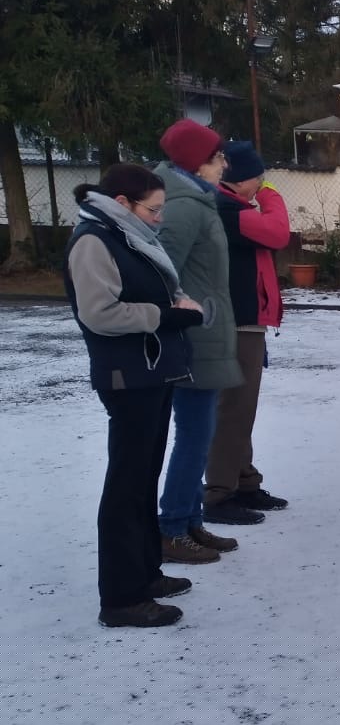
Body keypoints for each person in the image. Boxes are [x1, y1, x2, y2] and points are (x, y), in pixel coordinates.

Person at [63, 164, 206, 628]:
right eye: (153, 209)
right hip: (127, 378)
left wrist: (175, 308)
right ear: (122, 203)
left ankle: (145, 575)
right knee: (126, 487)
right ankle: (122, 598)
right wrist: (165, 315)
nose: (159, 219)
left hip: (151, 373)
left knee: (143, 479)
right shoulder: (94, 241)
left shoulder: (127, 236)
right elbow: (99, 313)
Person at [151, 119, 248, 566]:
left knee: (199, 432)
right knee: (194, 435)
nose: (224, 164)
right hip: (194, 336)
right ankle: (172, 527)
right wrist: (192, 311)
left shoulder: (195, 200)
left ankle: (189, 521)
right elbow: (162, 270)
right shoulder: (185, 207)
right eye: (217, 157)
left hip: (204, 332)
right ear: (196, 163)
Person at [205, 140, 291, 518]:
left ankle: (244, 483)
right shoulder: (227, 210)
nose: (261, 183)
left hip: (245, 320)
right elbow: (277, 233)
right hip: (236, 322)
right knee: (233, 408)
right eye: (258, 177)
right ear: (239, 179)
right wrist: (271, 195)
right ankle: (219, 493)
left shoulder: (232, 207)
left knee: (242, 408)